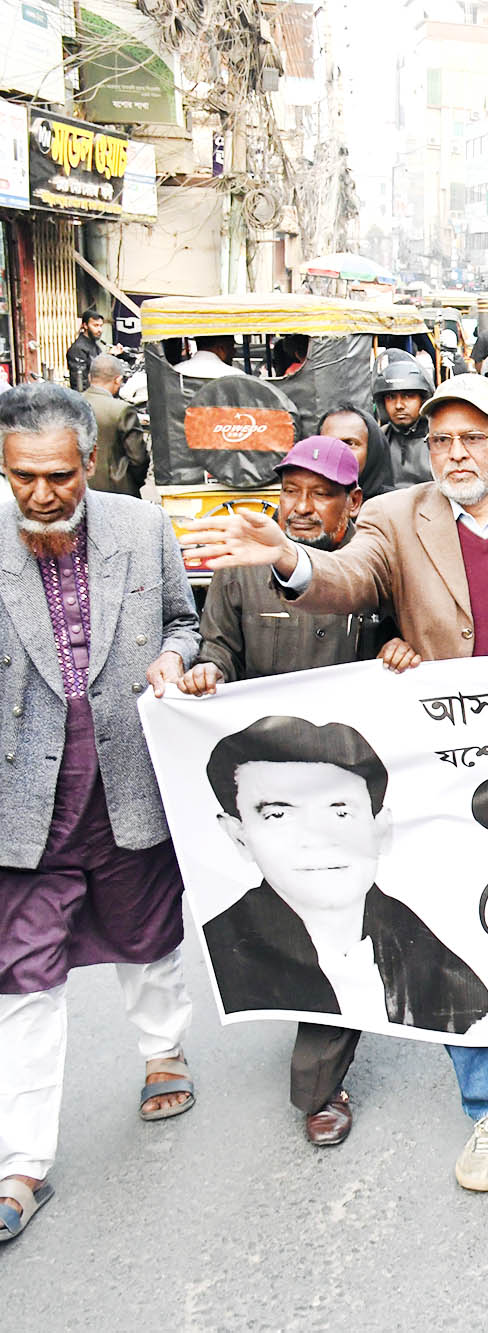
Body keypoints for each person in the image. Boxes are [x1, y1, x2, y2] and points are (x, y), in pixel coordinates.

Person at [177, 372, 488, 1195]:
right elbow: (350, 577)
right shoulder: (397, 517)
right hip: (442, 771)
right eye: (441, 440)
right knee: (455, 921)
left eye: (472, 437)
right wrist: (291, 559)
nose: (455, 453)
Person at [0, 384, 201, 1244]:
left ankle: (163, 1049)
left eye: (59, 475)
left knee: (146, 935)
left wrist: (172, 659)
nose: (42, 494)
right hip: (22, 795)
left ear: (89, 461)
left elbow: (185, 624)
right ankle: (20, 1162)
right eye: (22, 477)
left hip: (125, 776)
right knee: (22, 977)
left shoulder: (140, 528)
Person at [172, 438, 396, 1145]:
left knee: (340, 923)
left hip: (345, 788)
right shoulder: (240, 569)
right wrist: (208, 670)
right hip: (271, 790)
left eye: (320, 493)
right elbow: (218, 646)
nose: (301, 507)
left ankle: (320, 1085)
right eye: (290, 491)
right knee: (286, 930)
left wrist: (401, 649)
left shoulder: (373, 566)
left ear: (352, 502)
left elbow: (407, 642)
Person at [200, 717, 488, 1034]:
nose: (317, 837)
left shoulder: (425, 941)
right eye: (279, 814)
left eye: (341, 812)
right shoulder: (226, 951)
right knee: (323, 1045)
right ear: (239, 837)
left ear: (381, 830)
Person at [83, 354, 147, 496]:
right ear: (118, 380)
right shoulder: (121, 410)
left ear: (89, 377)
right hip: (117, 490)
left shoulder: (71, 404)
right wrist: (135, 482)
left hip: (80, 488)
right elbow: (138, 457)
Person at [374, 359, 435, 488]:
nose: (399, 405)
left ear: (423, 400)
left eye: (408, 396)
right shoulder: (379, 439)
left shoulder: (440, 439)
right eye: (391, 397)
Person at [318, 404, 397, 500]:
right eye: (328, 443)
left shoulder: (397, 505)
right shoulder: (306, 502)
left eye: (350, 443)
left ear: (372, 452)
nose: (337, 452)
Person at [65, 312, 107, 391]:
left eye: (101, 326)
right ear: (85, 325)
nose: (99, 330)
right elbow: (80, 382)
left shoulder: (94, 344)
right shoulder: (78, 349)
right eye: (95, 325)